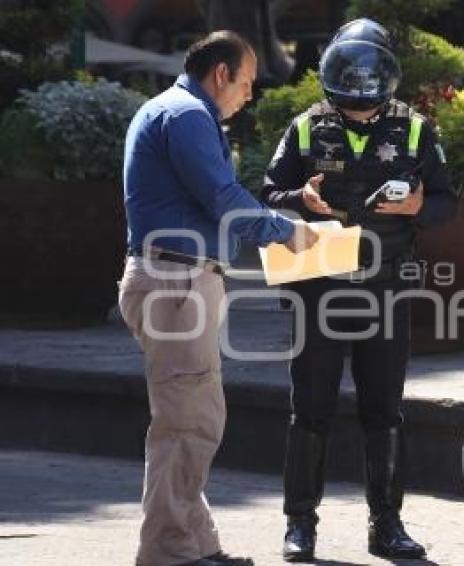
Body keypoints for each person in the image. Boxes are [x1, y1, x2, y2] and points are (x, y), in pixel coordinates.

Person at [119, 31, 318, 566]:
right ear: (221, 74)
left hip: (175, 280)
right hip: (177, 283)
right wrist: (285, 229)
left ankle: (194, 542)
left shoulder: (172, 110)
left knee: (191, 414)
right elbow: (221, 196)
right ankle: (171, 550)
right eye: (248, 83)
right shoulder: (186, 115)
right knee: (188, 421)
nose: (249, 96)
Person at [261, 18, 456, 562]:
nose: (361, 97)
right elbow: (269, 194)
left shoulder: (416, 129)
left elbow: (446, 203)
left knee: (385, 410)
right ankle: (300, 525)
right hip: (318, 289)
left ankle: (387, 524)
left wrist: (419, 206)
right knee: (311, 408)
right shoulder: (305, 127)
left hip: (385, 289)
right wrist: (301, 197)